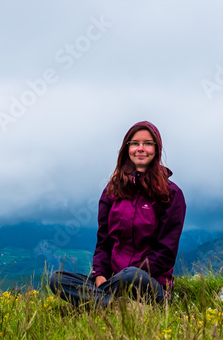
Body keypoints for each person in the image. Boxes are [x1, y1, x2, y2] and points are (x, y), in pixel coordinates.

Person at [48, 120, 186, 308]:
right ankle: (116, 305)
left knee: (131, 275)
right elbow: (103, 243)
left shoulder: (171, 194)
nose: (140, 148)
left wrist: (127, 275)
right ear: (127, 149)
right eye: (135, 143)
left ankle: (100, 302)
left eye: (147, 143)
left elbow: (165, 254)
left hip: (149, 283)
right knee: (58, 279)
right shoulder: (112, 192)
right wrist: (99, 276)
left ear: (156, 149)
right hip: (112, 281)